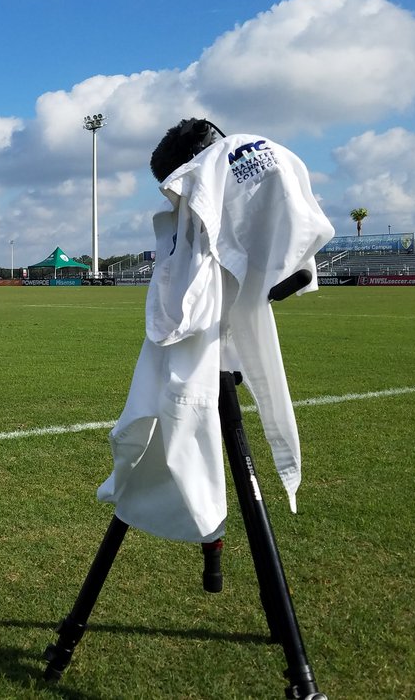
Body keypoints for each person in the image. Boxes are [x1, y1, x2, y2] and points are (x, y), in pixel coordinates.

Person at [97, 119, 334, 543]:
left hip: (211, 328)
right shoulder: (241, 161)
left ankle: (198, 524)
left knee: (181, 420)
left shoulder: (228, 159)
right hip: (217, 319)